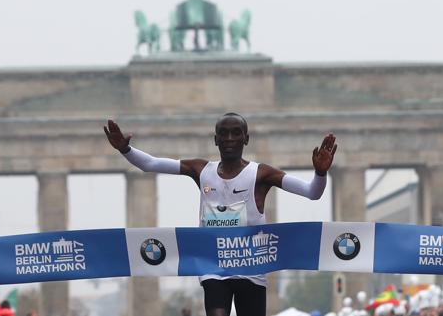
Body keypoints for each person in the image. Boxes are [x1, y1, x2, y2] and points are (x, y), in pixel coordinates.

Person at [104, 113, 337, 316]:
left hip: (250, 266)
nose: (229, 139)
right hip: (214, 263)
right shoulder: (201, 170)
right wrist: (125, 149)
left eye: (236, 133)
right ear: (215, 139)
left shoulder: (261, 173)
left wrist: (320, 173)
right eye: (223, 134)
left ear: (246, 138)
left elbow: (311, 193)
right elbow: (151, 164)